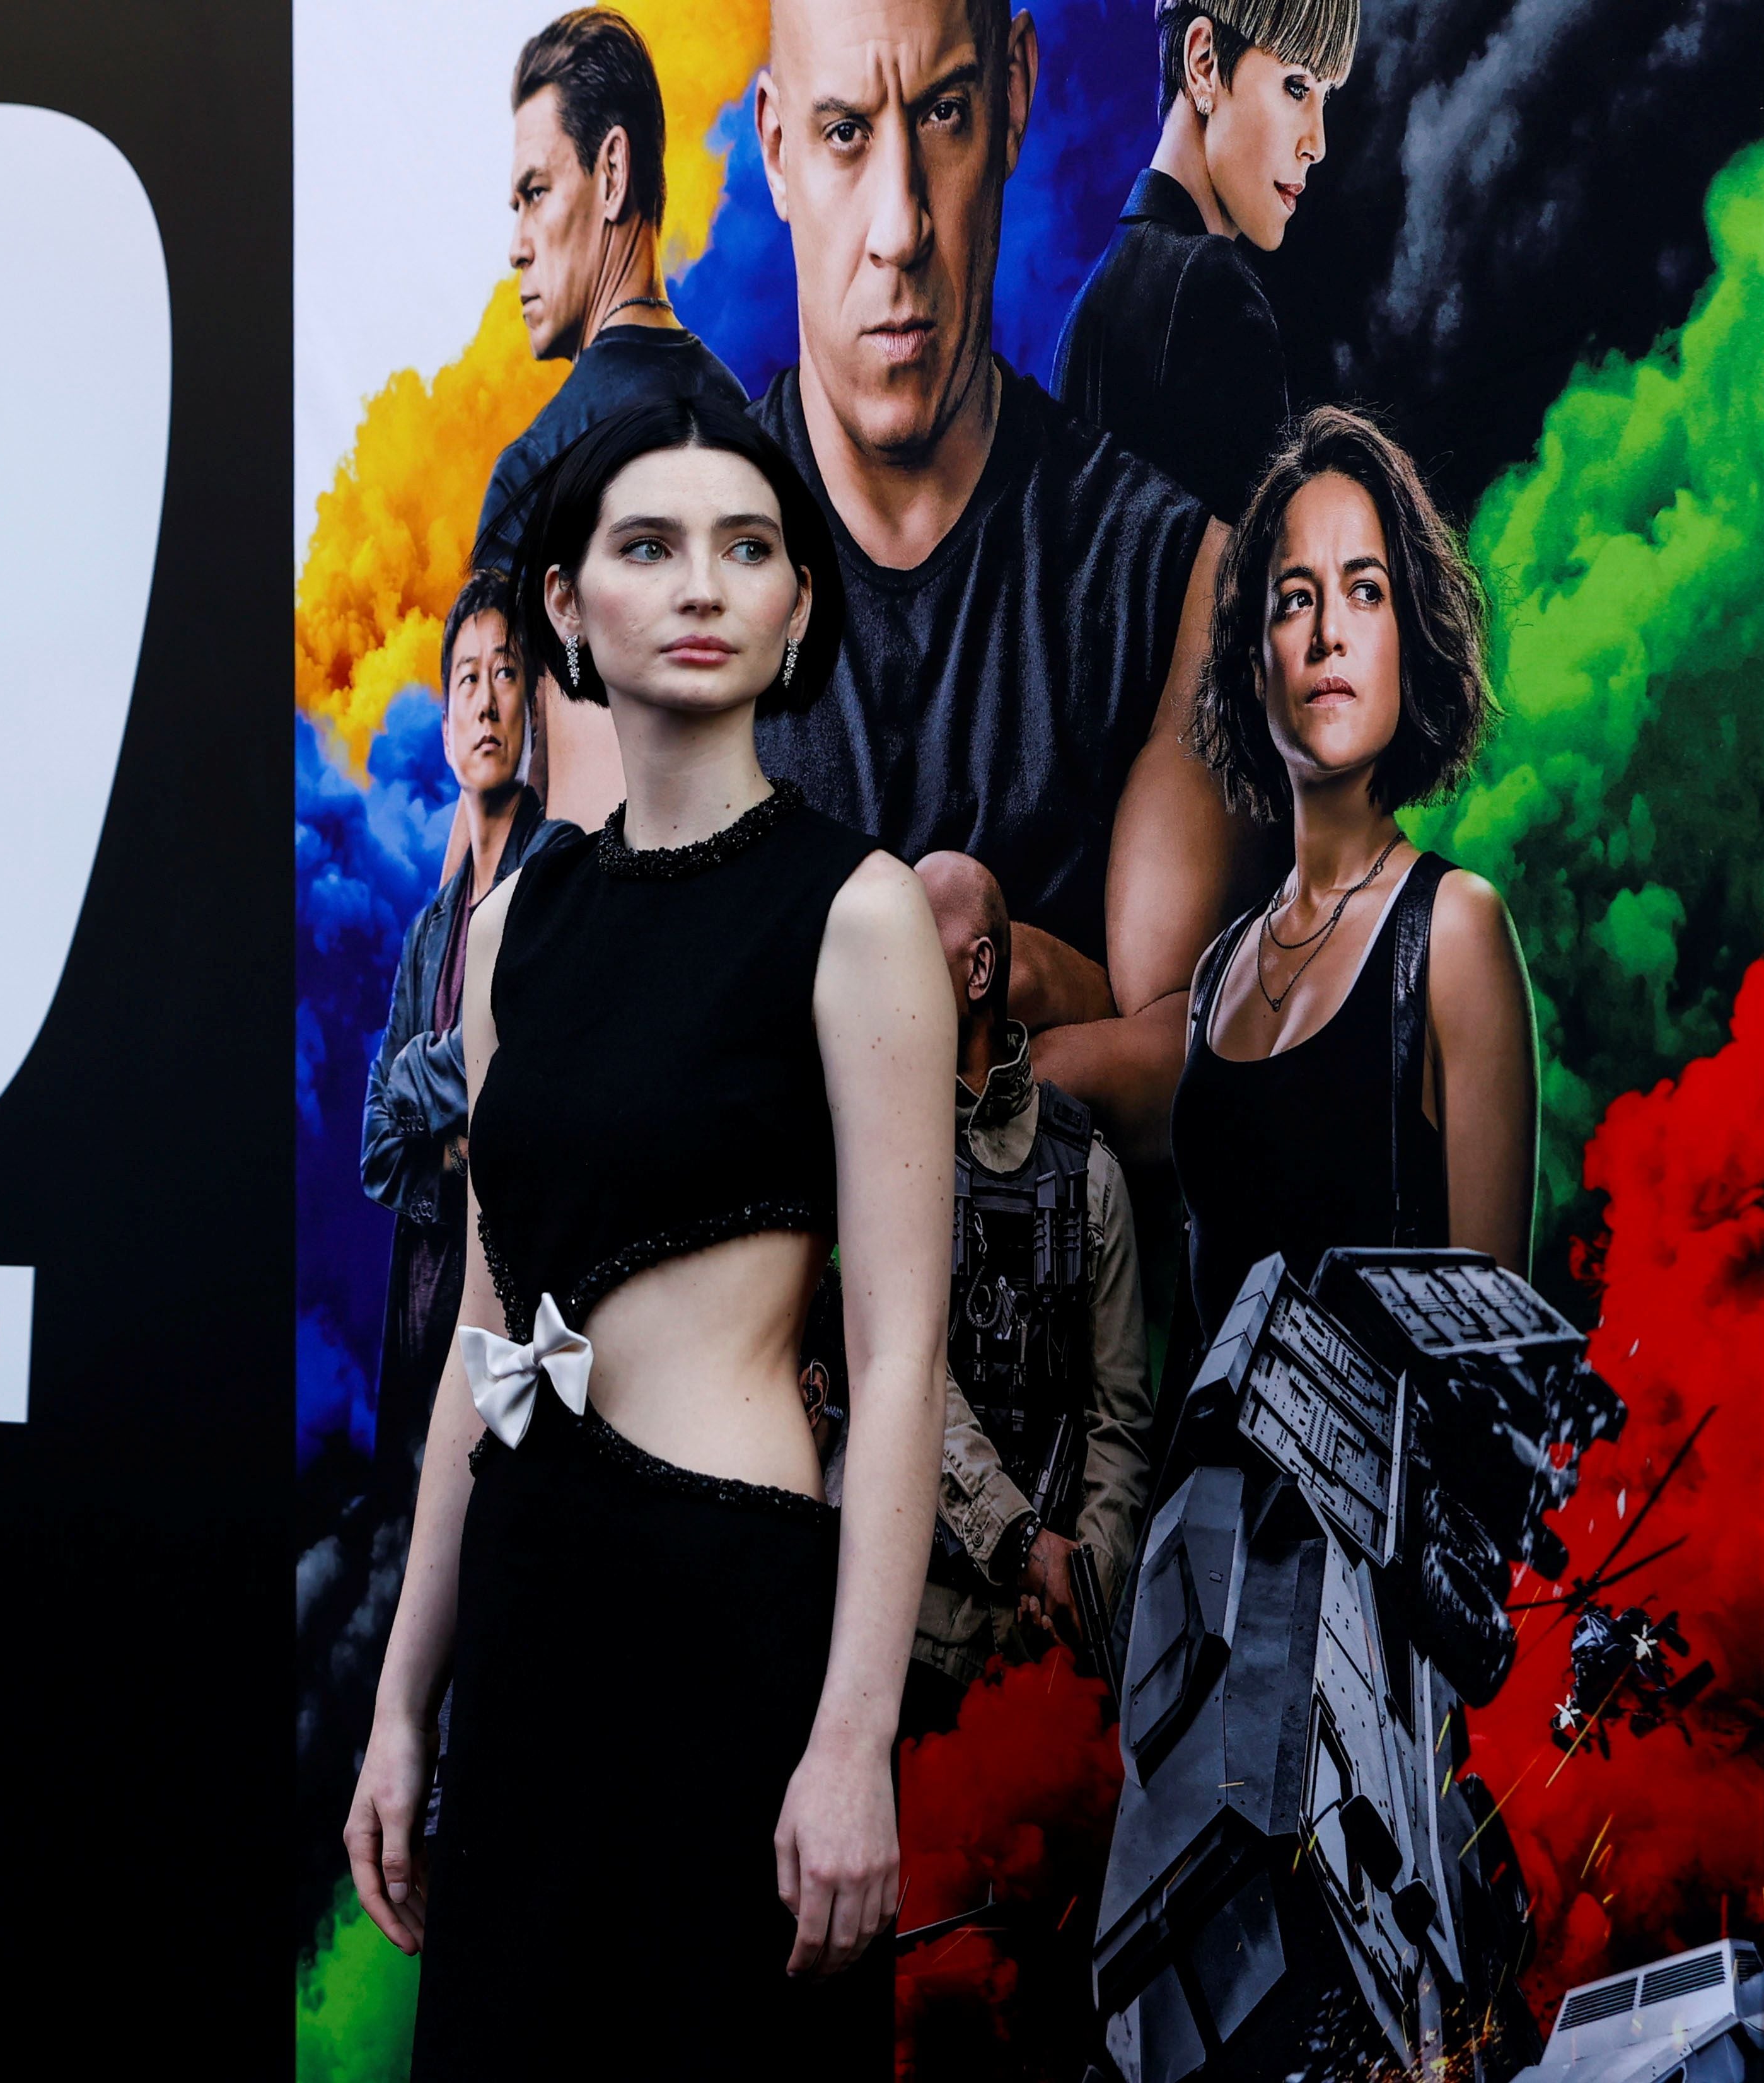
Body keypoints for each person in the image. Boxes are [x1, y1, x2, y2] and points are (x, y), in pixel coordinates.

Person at [344, 398, 950, 2068]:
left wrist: (853, 1736)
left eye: (748, 548)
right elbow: (486, 1334)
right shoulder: (513, 929)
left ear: (797, 606)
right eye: (649, 545)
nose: (702, 585)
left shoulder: (859, 910)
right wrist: (401, 1704)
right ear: (567, 604)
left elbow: (902, 1354)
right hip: (527, 1619)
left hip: (730, 1630)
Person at [749, 0, 1246, 1163]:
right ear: (775, 147)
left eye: (943, 114)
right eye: (843, 133)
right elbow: (613, 1078)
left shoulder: (1176, 578)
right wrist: (1043, 988)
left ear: (1014, 96)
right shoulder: (652, 575)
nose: (900, 226)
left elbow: (1186, 1074)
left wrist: (830, 1045)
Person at [1170, 405, 1533, 1367]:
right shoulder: (1217, 974)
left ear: (1411, 641)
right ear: (1255, 664)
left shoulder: (1455, 931)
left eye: (1366, 591)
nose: (1329, 633)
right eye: (1296, 599)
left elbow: (1495, 1374)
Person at [473, 8, 750, 840]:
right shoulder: (750, 425)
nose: (517, 245)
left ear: (613, 172)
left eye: (535, 194)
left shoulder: (534, 475)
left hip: (588, 906)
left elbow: (495, 791)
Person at [903, 851, 1152, 1735]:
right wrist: (1020, 1543)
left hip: (1045, 1662)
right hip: (909, 1637)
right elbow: (905, 1376)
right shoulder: (888, 1155)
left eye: (910, 942)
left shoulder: (1090, 1177)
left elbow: (1120, 1421)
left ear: (978, 969)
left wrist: (1084, 1582)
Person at [360, 569, 574, 1503]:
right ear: (447, 729)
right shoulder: (428, 931)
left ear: (531, 710)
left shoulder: (560, 867)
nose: (487, 702)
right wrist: (456, 1143)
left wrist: (425, 1079)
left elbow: (524, 1068)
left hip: (510, 1319)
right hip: (419, 1310)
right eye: (466, 680)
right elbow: (376, 1147)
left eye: (507, 674)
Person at [1052, 0, 1357, 521]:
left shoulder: (1084, 316)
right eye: (1296, 87)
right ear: (1204, 64)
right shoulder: (1212, 286)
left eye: (1324, 97)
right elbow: (1254, 566)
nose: (1317, 144)